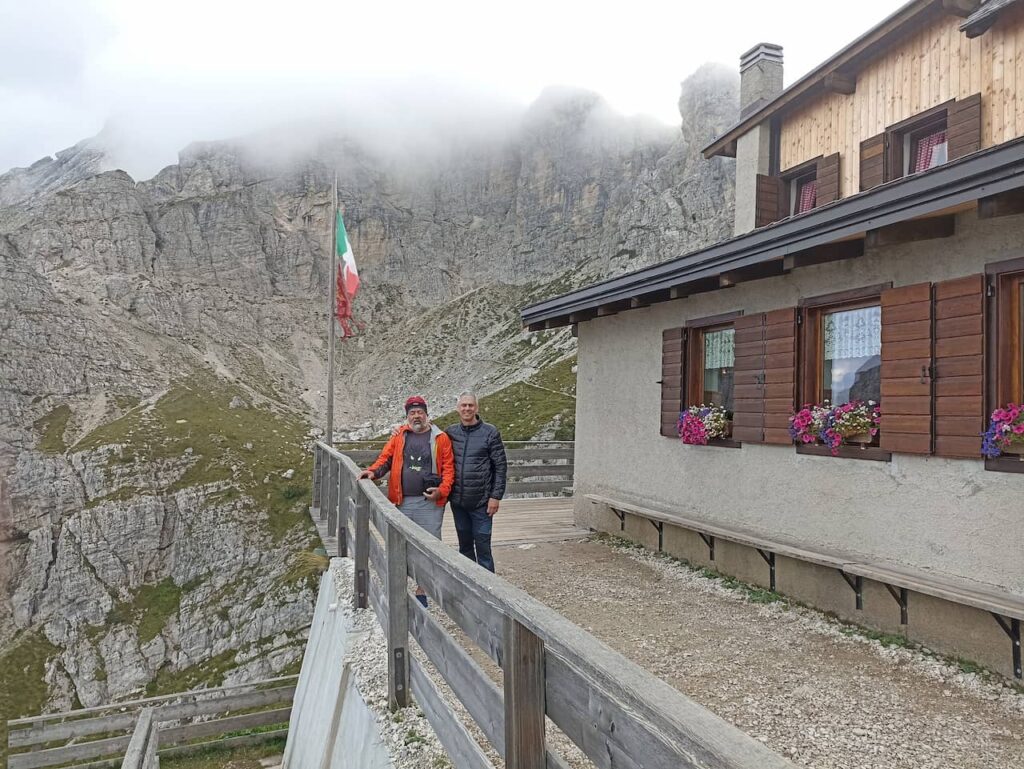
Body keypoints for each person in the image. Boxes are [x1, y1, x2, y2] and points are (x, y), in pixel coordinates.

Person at [358, 395, 455, 606]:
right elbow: (386, 459)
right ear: (407, 416)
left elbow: (448, 469)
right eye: (412, 413)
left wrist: (442, 490)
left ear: (427, 414)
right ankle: (399, 586)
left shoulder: (441, 438)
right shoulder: (399, 436)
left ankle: (423, 588)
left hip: (430, 502)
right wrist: (373, 472)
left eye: (420, 412)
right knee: (401, 544)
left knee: (430, 545)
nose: (417, 416)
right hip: (402, 501)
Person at [445, 391, 507, 573]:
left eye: (470, 405)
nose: (467, 409)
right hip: (458, 502)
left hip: (482, 503)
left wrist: (496, 496)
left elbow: (500, 467)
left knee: (483, 547)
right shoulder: (451, 432)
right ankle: (469, 584)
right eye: (463, 405)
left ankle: (490, 590)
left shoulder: (490, 432)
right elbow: (430, 437)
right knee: (464, 546)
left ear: (476, 408)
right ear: (458, 409)